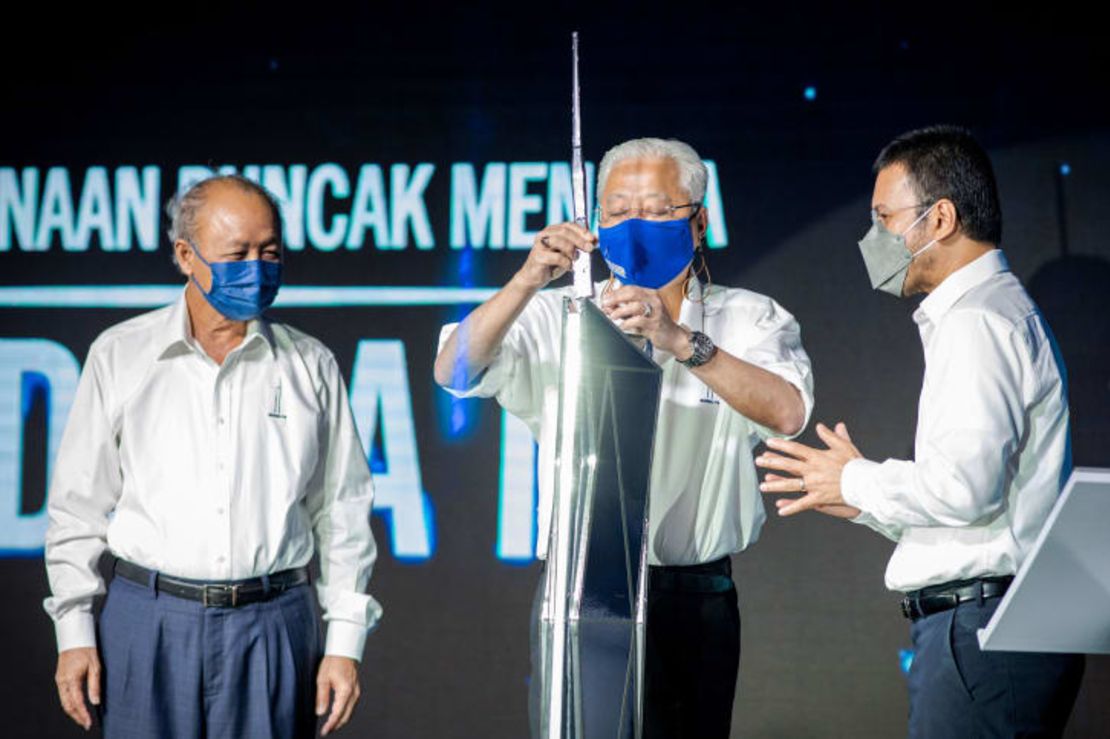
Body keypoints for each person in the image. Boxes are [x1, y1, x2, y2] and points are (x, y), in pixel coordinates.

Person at [434, 137, 813, 738]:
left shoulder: (751, 317)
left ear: (699, 222)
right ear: (595, 224)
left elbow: (788, 413)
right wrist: (528, 279)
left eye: (659, 211)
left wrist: (683, 343)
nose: (637, 225)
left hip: (696, 594)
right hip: (581, 587)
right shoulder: (556, 314)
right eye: (618, 211)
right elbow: (453, 372)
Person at [756, 125, 1085, 737]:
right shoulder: (993, 313)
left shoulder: (977, 321)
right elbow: (979, 512)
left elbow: (964, 490)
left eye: (884, 219)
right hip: (995, 628)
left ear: (939, 219)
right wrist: (860, 501)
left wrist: (856, 478)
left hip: (983, 633)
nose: (873, 239)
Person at [44, 175, 381, 738]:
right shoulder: (122, 354)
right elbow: (76, 508)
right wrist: (74, 630)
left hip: (273, 622)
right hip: (147, 618)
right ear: (186, 255)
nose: (257, 266)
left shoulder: (310, 365)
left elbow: (343, 510)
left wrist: (345, 641)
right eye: (237, 253)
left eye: (269, 252)